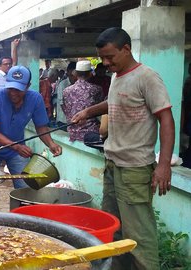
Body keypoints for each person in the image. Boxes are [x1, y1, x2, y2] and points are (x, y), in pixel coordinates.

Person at [72, 27, 174, 270]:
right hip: (113, 165)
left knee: (139, 234)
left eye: (110, 57)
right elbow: (115, 102)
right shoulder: (119, 77)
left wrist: (163, 165)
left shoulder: (147, 77)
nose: (105, 63)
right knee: (115, 229)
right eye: (102, 58)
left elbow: (166, 119)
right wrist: (89, 111)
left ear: (126, 49)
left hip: (134, 169)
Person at [0, 66, 62, 208]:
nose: (13, 93)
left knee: (25, 190)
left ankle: (23, 220)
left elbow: (41, 127)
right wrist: (17, 147)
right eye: (10, 87)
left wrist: (51, 144)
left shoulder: (35, 99)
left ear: (28, 86)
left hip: (15, 151)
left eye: (18, 89)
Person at [62, 60, 103, 142]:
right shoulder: (97, 89)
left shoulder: (66, 91)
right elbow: (100, 110)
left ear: (76, 74)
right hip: (91, 133)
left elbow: (66, 110)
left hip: (73, 133)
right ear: (90, 74)